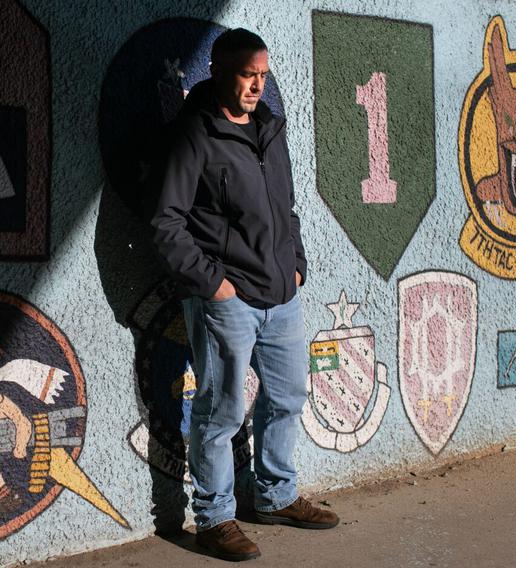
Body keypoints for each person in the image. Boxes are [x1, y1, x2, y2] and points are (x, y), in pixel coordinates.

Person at [151, 28, 339, 562]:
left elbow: (287, 207)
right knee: (220, 409)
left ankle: (275, 496)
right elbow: (166, 221)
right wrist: (213, 284)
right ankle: (214, 519)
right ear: (218, 72)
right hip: (227, 299)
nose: (258, 86)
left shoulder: (269, 130)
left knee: (288, 397)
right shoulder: (196, 136)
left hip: (282, 294)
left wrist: (296, 265)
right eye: (247, 75)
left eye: (263, 75)